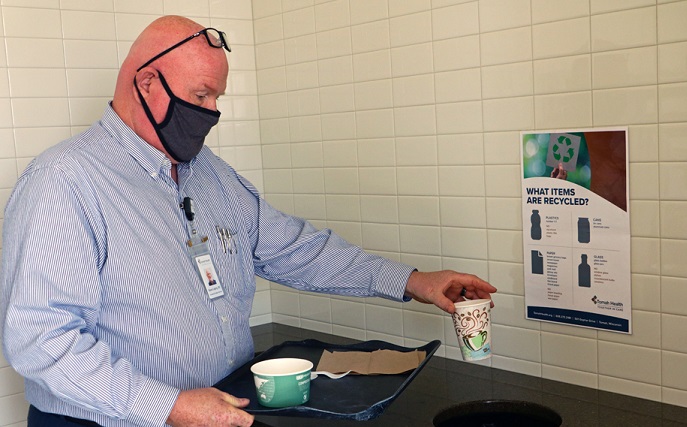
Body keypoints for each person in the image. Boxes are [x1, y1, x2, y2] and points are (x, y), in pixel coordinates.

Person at [0, 16, 497, 427]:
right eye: (200, 97)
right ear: (146, 82)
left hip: (221, 408)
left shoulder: (210, 175)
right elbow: (41, 339)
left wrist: (413, 282)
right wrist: (169, 407)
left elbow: (295, 250)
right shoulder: (63, 181)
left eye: (217, 98)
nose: (212, 112)